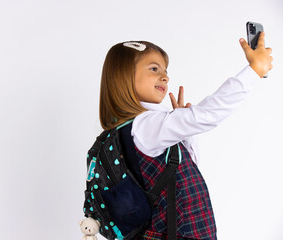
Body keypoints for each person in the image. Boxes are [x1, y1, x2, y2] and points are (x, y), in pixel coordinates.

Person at [98, 34, 273, 240]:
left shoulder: (138, 128)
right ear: (124, 76)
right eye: (154, 69)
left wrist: (183, 132)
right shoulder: (146, 125)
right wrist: (253, 72)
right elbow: (208, 114)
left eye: (165, 71)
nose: (165, 77)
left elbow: (184, 171)